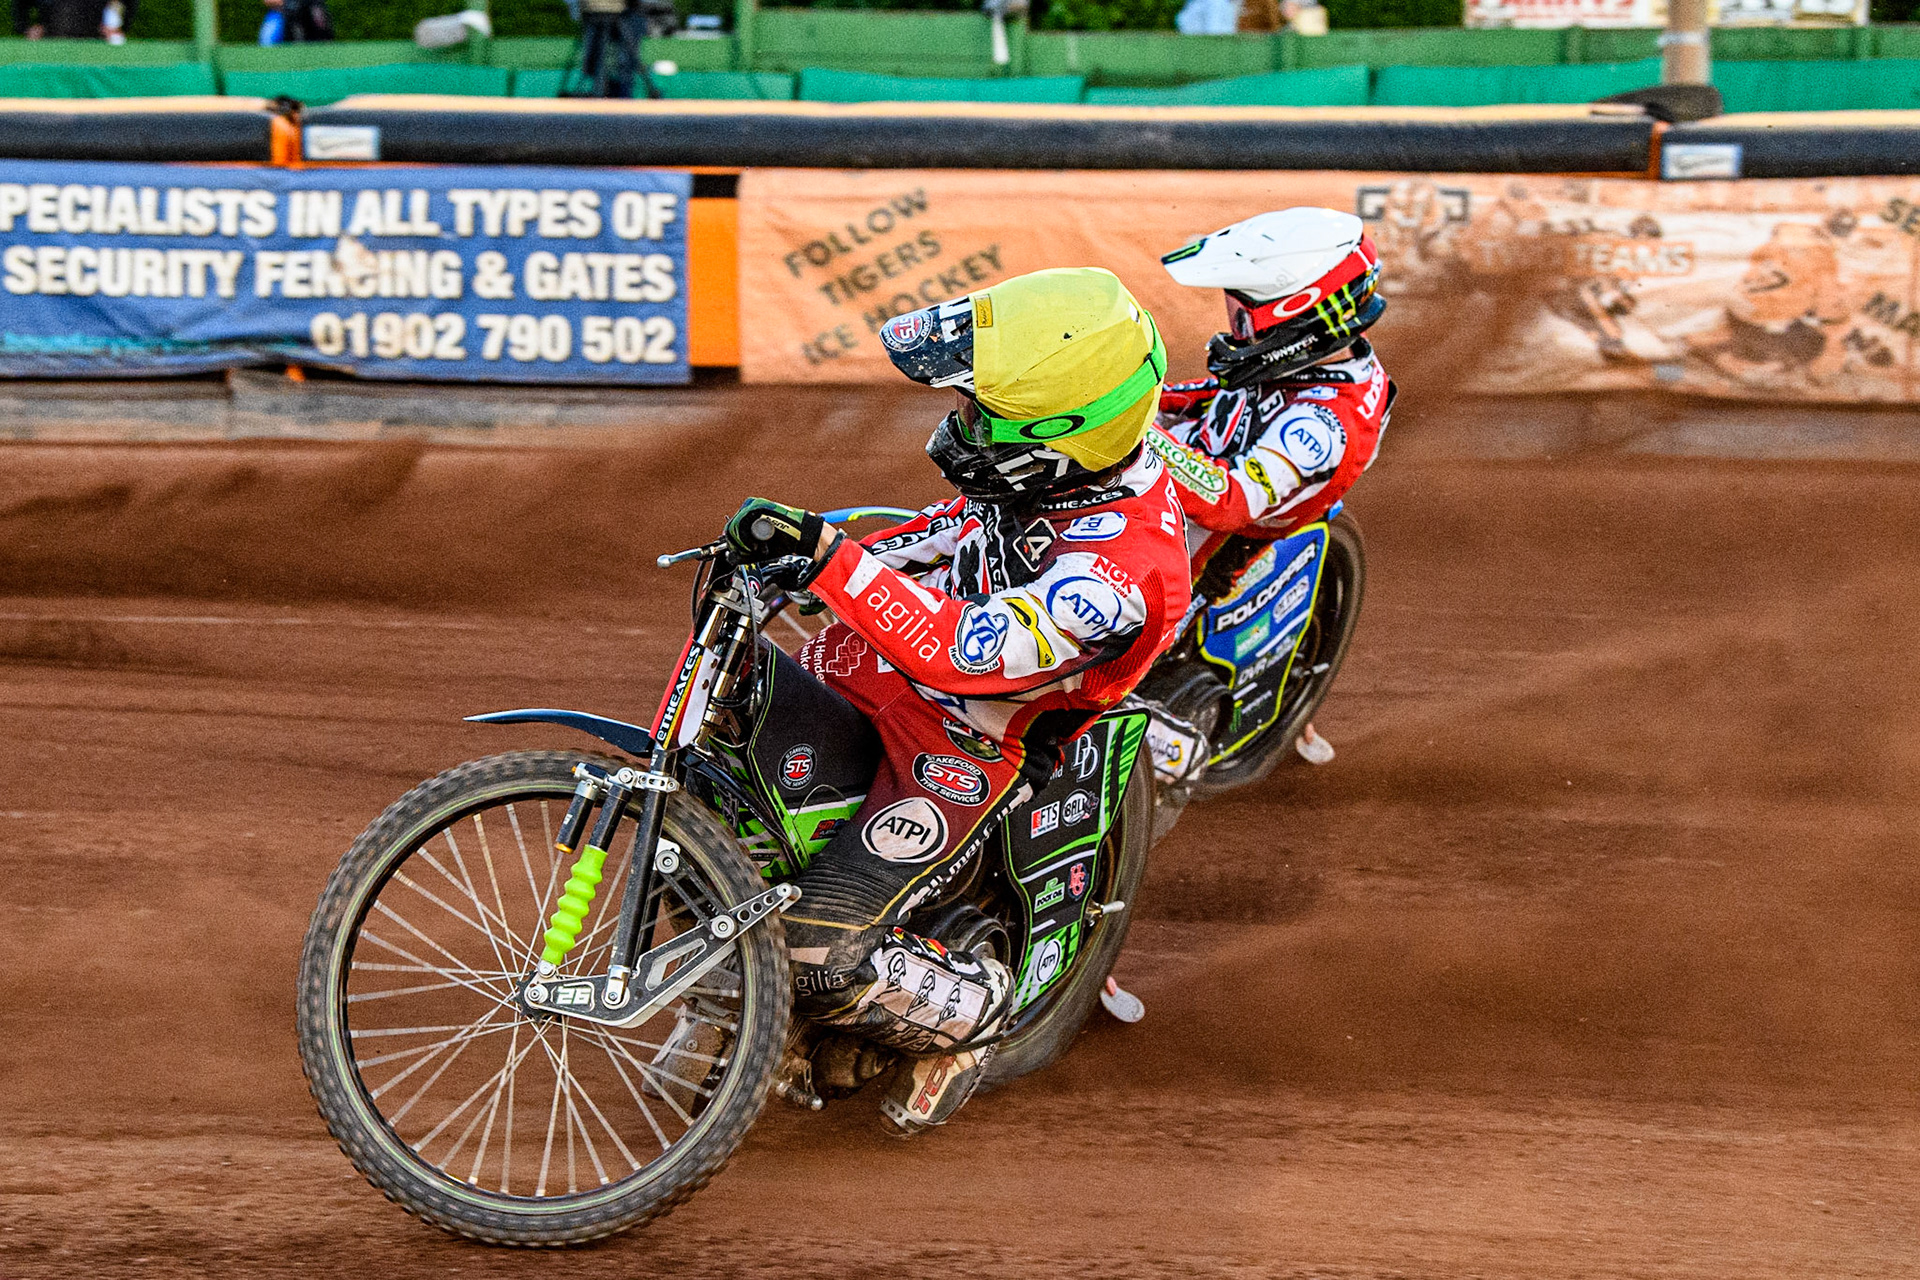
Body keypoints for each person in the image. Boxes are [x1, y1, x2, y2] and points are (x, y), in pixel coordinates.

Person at [718, 267, 1191, 1135]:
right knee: (725, 755)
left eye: (984, 412)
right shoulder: (1057, 479)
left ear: (1063, 430)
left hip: (958, 747)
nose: (963, 422)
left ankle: (973, 1016)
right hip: (875, 671)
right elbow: (950, 533)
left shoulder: (1123, 574)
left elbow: (964, 656)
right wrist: (815, 557)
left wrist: (833, 562)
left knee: (816, 956)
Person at [1149, 207, 1395, 763]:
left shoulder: (1323, 426)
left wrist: (1138, 433)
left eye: (1244, 315)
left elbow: (1232, 501)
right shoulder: (1288, 370)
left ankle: (1148, 750)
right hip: (1176, 496)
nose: (1232, 325)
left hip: (1191, 554)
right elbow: (1196, 400)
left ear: (1296, 317)